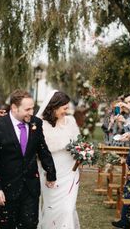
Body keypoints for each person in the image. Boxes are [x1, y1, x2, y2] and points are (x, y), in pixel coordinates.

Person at [0, 89, 56, 229]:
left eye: (33, 108)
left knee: (30, 225)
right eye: (27, 109)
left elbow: (42, 149)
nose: (31, 112)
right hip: (5, 189)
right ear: (14, 108)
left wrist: (51, 173)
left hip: (30, 188)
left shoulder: (36, 123)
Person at [36, 91, 81, 229]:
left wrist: (83, 153)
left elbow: (78, 143)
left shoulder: (71, 121)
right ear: (54, 107)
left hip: (70, 172)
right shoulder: (40, 124)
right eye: (64, 108)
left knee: (67, 208)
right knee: (52, 208)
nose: (66, 111)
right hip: (50, 172)